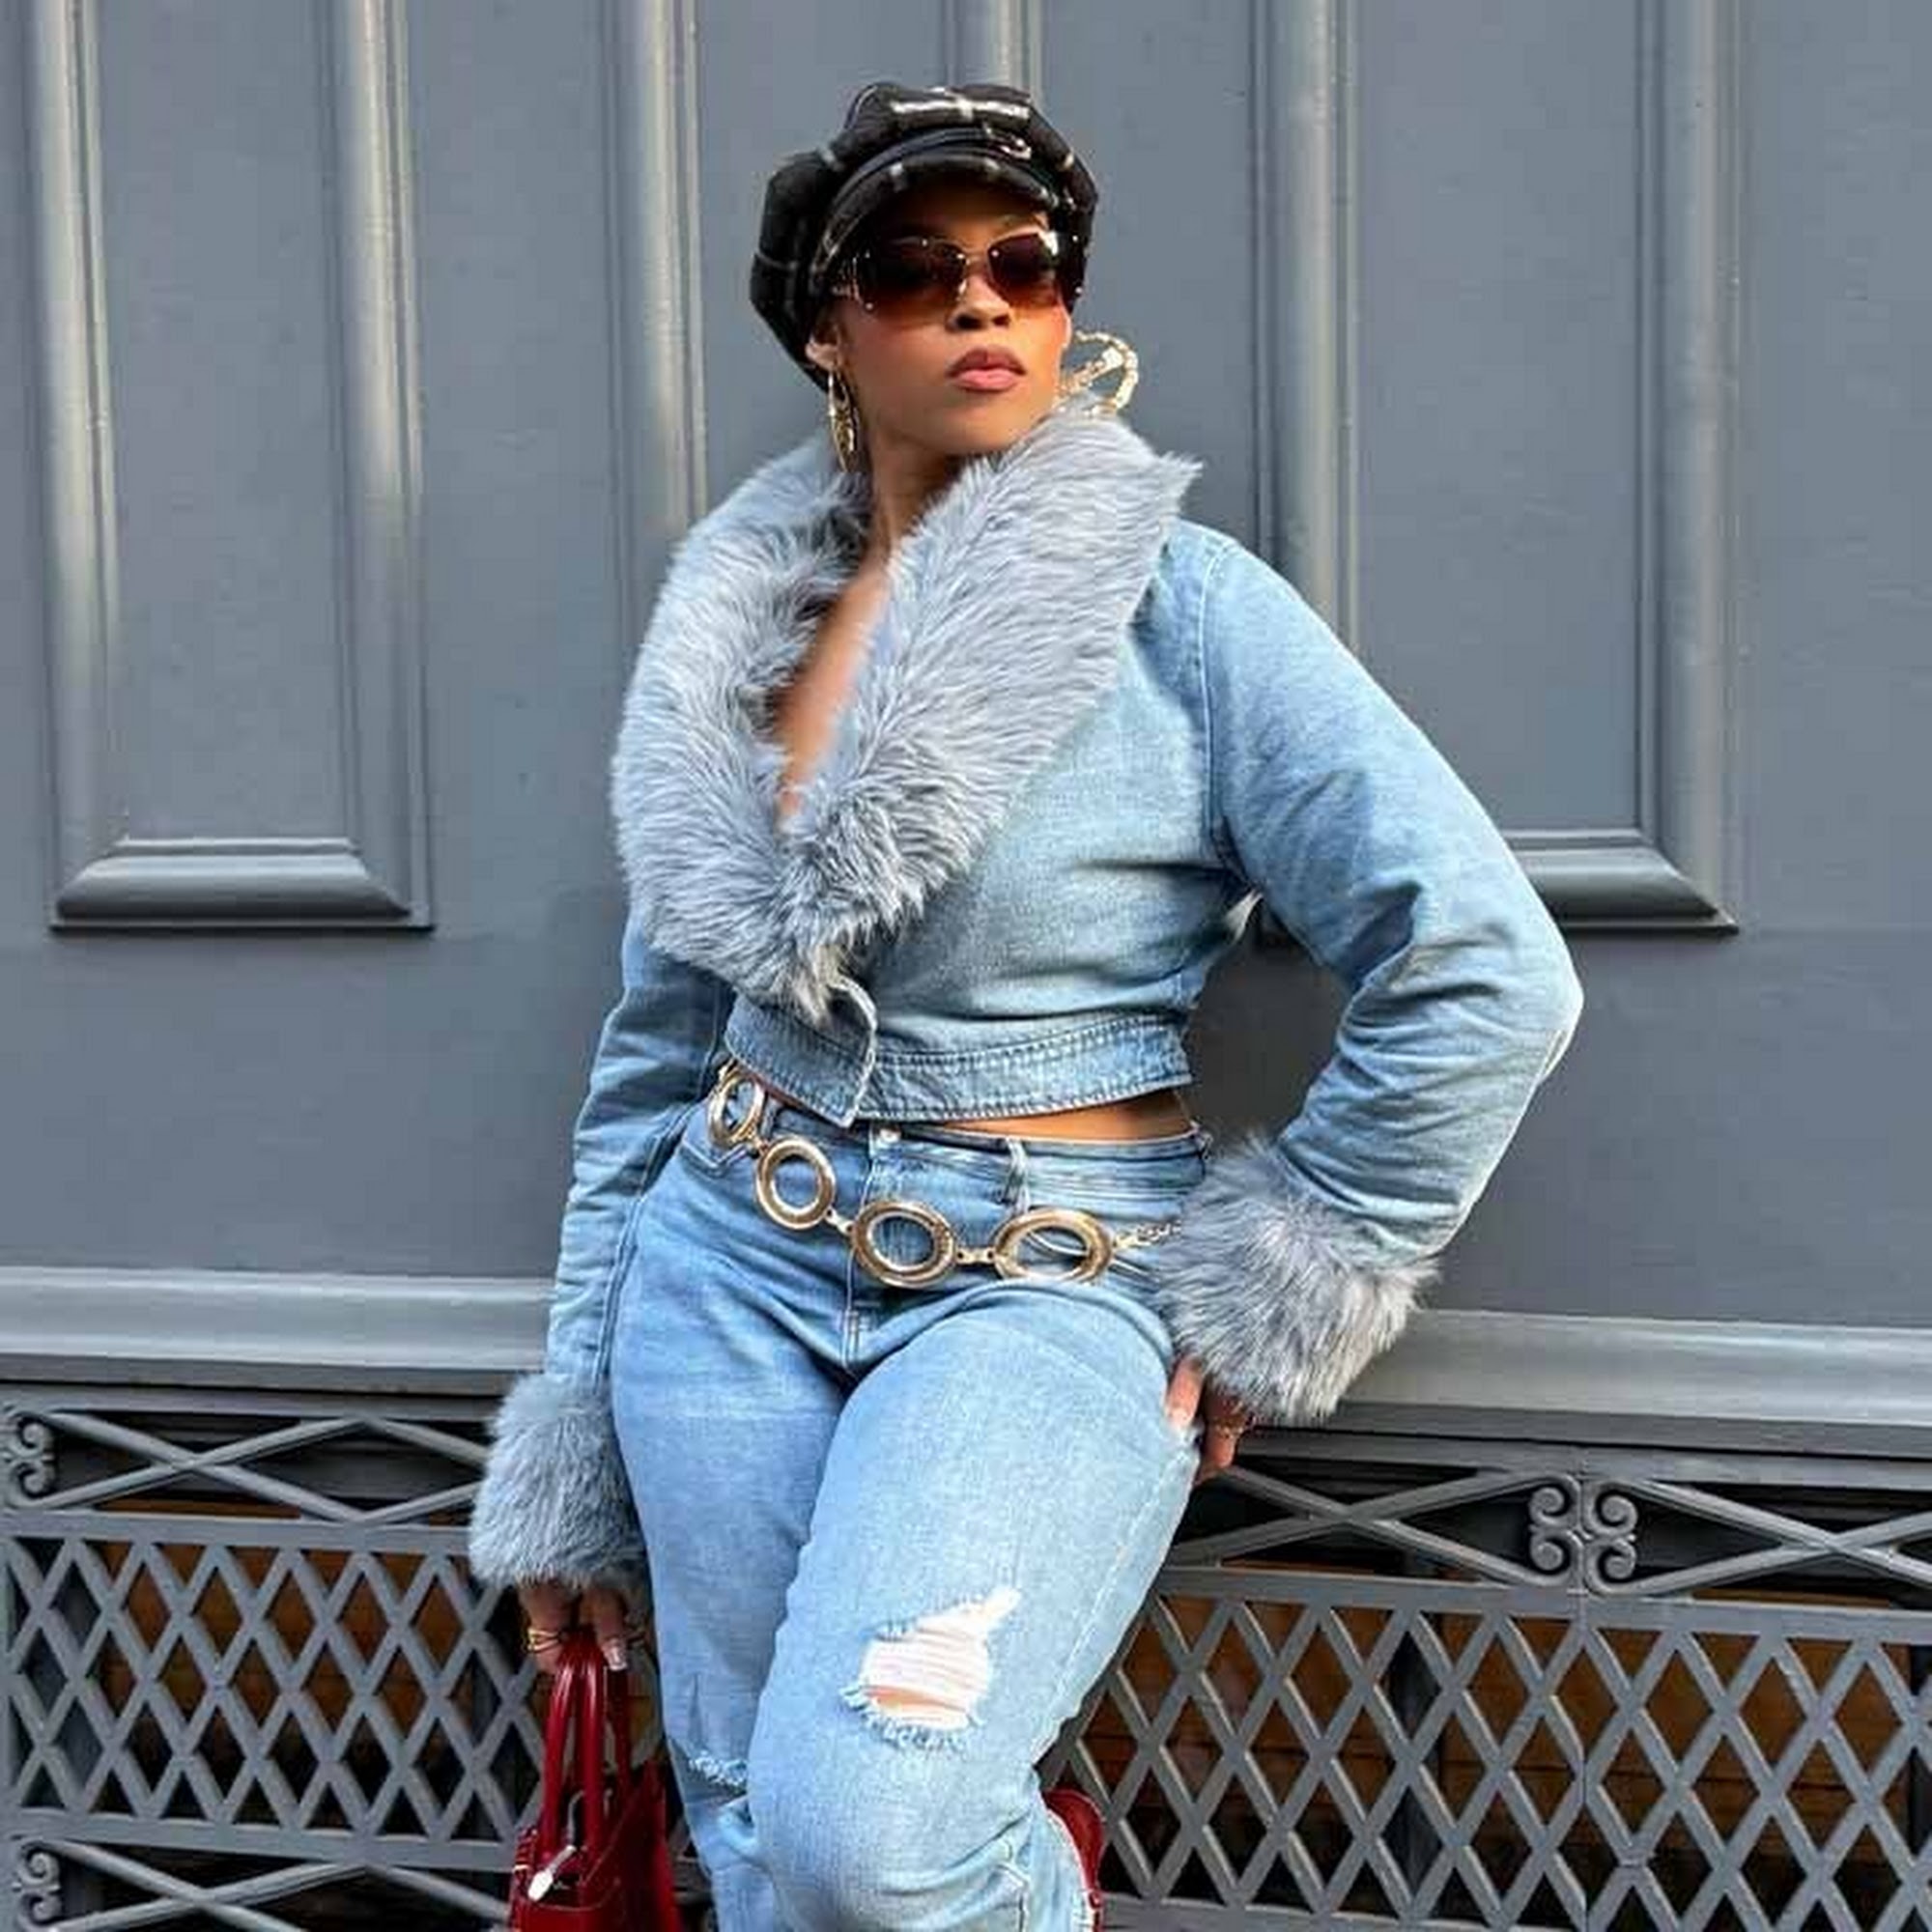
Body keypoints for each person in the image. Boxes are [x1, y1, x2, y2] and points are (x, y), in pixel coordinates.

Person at [469, 78, 1583, 1932]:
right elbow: (655, 1061)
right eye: (913, 269)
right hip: (721, 1265)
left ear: (1065, 310)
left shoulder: (1185, 613)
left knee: (866, 1836)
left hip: (1043, 1274)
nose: (979, 299)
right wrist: (574, 1421)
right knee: (748, 1833)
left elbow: (1484, 964)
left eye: (1024, 262)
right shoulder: (733, 630)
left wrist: (1305, 1258)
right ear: (828, 332)